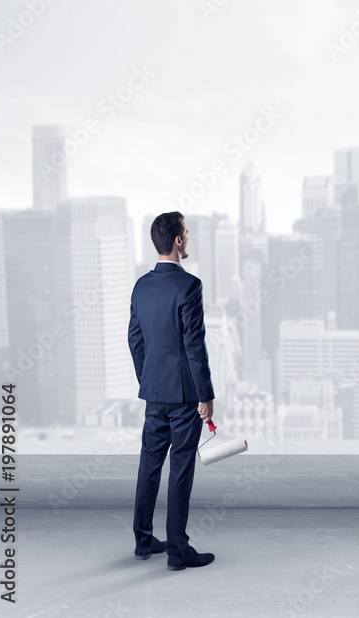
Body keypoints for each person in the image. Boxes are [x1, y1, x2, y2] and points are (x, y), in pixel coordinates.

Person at [128, 211, 216, 571]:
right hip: (184, 396)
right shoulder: (189, 286)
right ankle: (178, 551)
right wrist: (205, 394)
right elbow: (195, 346)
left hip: (154, 393)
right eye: (187, 233)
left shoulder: (140, 286)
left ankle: (143, 540)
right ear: (178, 241)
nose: (189, 238)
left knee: (149, 464)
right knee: (179, 469)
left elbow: (135, 340)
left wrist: (147, 379)